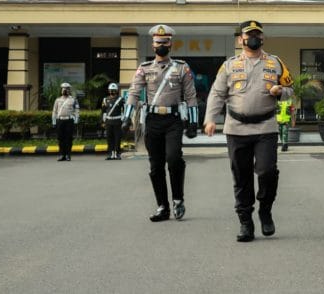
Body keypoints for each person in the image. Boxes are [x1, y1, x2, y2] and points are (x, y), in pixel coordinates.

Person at [204, 20, 293, 242]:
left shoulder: (275, 62)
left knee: (267, 171)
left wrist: (281, 91)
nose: (253, 38)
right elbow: (217, 94)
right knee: (241, 176)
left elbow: (290, 89)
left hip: (266, 127)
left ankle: (265, 210)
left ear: (262, 38)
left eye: (257, 35)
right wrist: (210, 119)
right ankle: (245, 222)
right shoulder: (229, 65)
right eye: (249, 35)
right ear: (240, 39)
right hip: (236, 128)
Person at [123, 24, 198, 222]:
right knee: (156, 166)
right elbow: (133, 92)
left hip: (173, 120)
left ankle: (178, 199)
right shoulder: (144, 68)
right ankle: (162, 206)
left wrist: (193, 123)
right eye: (158, 43)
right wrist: (127, 117)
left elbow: (191, 96)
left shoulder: (181, 67)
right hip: (153, 121)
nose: (161, 46)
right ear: (153, 45)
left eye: (165, 42)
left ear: (170, 44)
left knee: (174, 159)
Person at [52, 82, 79, 161]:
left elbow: (77, 110)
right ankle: (61, 154)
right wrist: (54, 121)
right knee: (60, 138)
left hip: (69, 121)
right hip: (60, 120)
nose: (64, 90)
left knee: (68, 138)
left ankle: (68, 155)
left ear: (69, 90)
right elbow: (54, 111)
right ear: (61, 90)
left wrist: (76, 120)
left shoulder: (73, 100)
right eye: (63, 89)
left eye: (66, 89)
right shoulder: (57, 100)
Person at [101, 82, 124, 160]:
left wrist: (124, 120)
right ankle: (110, 154)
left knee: (117, 138)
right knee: (109, 138)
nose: (112, 91)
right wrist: (103, 122)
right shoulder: (105, 100)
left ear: (116, 90)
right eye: (111, 90)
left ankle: (117, 154)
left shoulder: (121, 99)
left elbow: (124, 111)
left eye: (114, 90)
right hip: (109, 122)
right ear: (108, 90)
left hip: (117, 121)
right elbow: (103, 111)